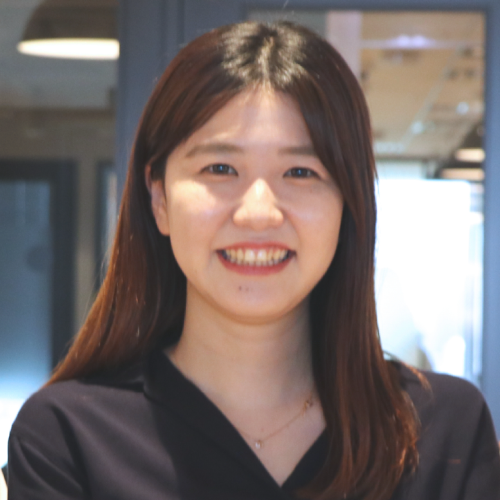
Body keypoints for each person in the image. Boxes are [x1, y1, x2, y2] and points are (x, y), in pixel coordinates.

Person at [7, 21, 500, 500]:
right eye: (220, 168)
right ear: (159, 198)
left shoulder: (440, 432)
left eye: (301, 172)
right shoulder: (68, 439)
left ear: (349, 204)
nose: (259, 213)